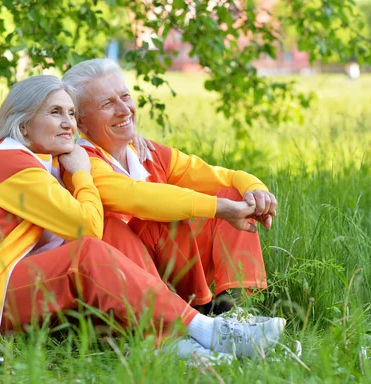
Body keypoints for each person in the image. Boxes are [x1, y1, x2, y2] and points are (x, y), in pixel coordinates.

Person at [0, 74, 285, 361]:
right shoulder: (10, 164)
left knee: (111, 229)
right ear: (23, 125)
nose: (68, 124)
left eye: (72, 114)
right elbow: (85, 228)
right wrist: (80, 172)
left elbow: (97, 223)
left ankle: (173, 342)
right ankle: (207, 330)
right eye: (54, 112)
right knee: (88, 250)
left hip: (11, 282)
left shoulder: (44, 161)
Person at [62, 59, 278, 315]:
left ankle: (234, 311)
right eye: (107, 104)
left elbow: (225, 178)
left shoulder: (149, 152)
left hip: (173, 276)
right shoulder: (80, 163)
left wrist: (256, 191)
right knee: (153, 218)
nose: (124, 110)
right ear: (82, 124)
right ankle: (190, 317)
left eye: (125, 96)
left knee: (234, 195)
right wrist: (219, 208)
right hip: (121, 287)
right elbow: (138, 198)